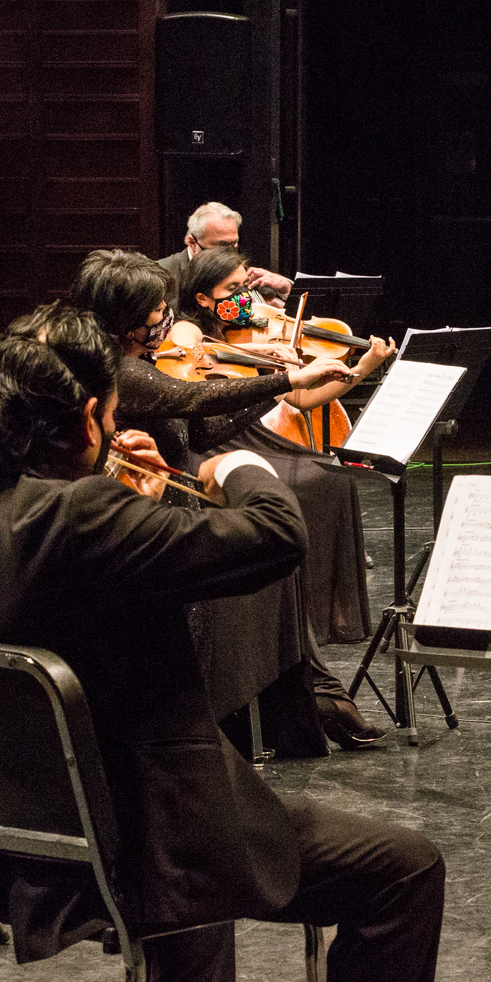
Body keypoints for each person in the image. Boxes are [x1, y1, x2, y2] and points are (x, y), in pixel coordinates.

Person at [0, 305, 443, 982]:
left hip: (22, 841)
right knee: (406, 869)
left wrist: (135, 503)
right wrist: (234, 463)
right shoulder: (85, 515)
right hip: (146, 839)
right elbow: (277, 535)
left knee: (201, 782)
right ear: (88, 418)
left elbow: (80, 593)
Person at [71, 249, 387, 749]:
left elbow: (199, 431)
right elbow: (189, 399)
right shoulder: (113, 371)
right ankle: (300, 698)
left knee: (275, 559)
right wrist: (284, 378)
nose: (166, 319)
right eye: (156, 311)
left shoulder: (140, 361)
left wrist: (270, 392)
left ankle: (308, 696)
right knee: (265, 555)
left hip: (180, 511)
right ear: (126, 321)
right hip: (154, 529)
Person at [171, 245, 395, 645]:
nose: (246, 299)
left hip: (253, 433)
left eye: (247, 286)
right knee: (300, 485)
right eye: (232, 288)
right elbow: (197, 350)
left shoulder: (248, 328)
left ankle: (317, 615)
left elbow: (302, 398)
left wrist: (363, 366)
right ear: (203, 297)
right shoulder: (185, 328)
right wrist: (258, 352)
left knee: (333, 478)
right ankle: (283, 619)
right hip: (214, 441)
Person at [160, 201, 291, 304]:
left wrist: (285, 287)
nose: (229, 254)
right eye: (221, 246)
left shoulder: (241, 271)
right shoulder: (161, 274)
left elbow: (281, 305)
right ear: (192, 243)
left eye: (234, 243)